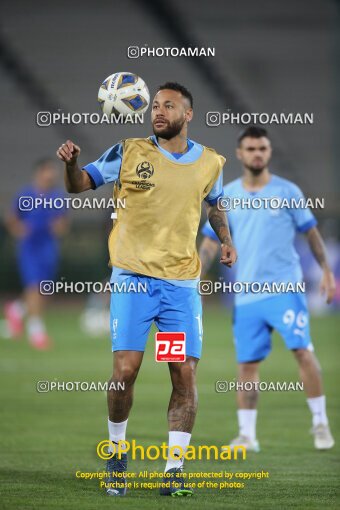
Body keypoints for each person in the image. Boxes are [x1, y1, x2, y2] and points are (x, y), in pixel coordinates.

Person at [56, 82, 237, 497]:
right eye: (154, 105)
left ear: (187, 114)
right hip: (134, 281)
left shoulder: (209, 162)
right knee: (125, 371)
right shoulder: (128, 151)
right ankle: (117, 455)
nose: (158, 111)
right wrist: (72, 164)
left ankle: (173, 471)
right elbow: (79, 184)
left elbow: (216, 203)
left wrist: (225, 238)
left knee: (183, 373)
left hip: (177, 288)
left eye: (168, 106)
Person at [199, 126, 335, 452]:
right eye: (250, 148)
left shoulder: (288, 192)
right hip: (246, 296)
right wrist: (197, 275)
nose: (257, 153)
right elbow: (209, 241)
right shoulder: (226, 195)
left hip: (284, 289)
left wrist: (327, 272)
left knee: (303, 352)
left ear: (269, 152)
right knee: (247, 364)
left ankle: (320, 423)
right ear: (239, 153)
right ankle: (248, 435)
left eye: (262, 148)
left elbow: (311, 233)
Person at [5, 159, 68, 350]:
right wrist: (19, 230)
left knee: (44, 291)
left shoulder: (58, 196)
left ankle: (16, 309)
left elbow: (63, 223)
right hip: (30, 247)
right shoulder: (26, 194)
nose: (52, 174)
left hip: (48, 247)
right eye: (48, 170)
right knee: (34, 287)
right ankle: (36, 331)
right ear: (39, 172)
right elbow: (12, 218)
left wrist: (58, 228)